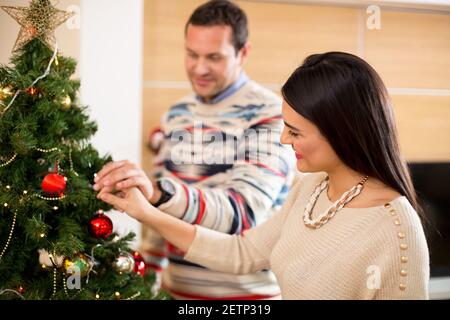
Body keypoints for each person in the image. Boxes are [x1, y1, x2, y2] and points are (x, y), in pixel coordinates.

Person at [97, 52, 430, 299]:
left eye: (295, 132)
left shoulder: (395, 229)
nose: (284, 140)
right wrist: (145, 212)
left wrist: (158, 197)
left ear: (341, 132)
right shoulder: (311, 189)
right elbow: (242, 254)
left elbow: (240, 212)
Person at [93, 0, 294, 300]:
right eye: (191, 54)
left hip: (248, 299)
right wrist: (146, 284)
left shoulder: (269, 115)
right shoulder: (176, 115)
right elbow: (155, 220)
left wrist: (160, 194)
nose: (199, 68)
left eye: (214, 57)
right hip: (176, 294)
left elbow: (243, 213)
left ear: (244, 53)